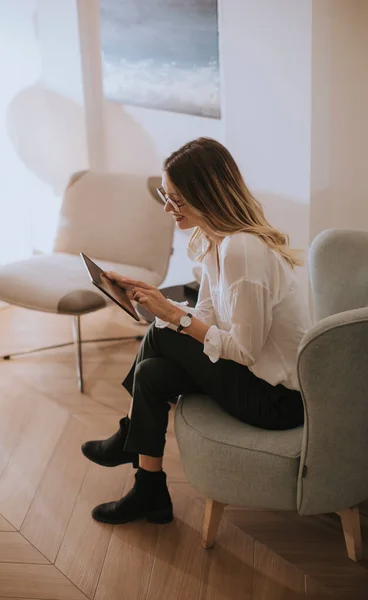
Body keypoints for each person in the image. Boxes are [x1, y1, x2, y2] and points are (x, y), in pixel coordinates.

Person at [81, 137, 311, 526]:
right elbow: (206, 314)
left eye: (178, 199)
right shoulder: (212, 241)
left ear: (208, 195)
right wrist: (153, 298)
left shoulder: (243, 251)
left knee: (162, 333)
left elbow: (245, 351)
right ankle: (149, 489)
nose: (169, 208)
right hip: (250, 377)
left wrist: (170, 313)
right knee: (150, 374)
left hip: (277, 399)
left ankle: (129, 436)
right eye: (165, 195)